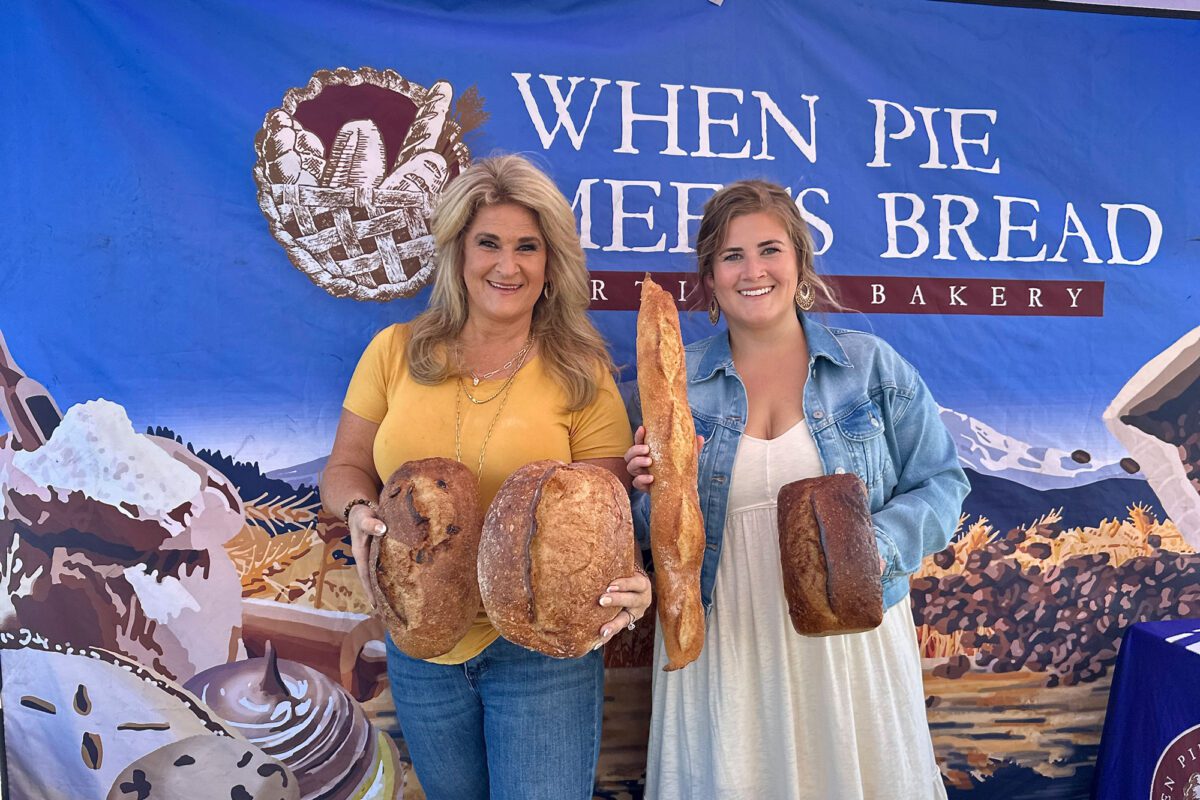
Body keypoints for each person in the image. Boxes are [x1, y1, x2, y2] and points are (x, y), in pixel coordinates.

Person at [624, 180, 969, 800]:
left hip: (850, 642)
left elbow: (942, 482)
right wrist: (645, 493)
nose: (752, 271)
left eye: (769, 250)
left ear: (799, 261)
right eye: (732, 256)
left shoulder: (870, 366)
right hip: (724, 641)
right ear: (710, 275)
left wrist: (868, 553)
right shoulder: (677, 384)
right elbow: (656, 540)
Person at [321, 154, 651, 800]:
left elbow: (605, 523)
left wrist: (631, 579)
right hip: (422, 647)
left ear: (551, 263)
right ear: (457, 254)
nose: (508, 265)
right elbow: (344, 467)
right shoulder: (394, 352)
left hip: (541, 657)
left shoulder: (582, 375)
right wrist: (359, 510)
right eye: (489, 243)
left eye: (528, 246)